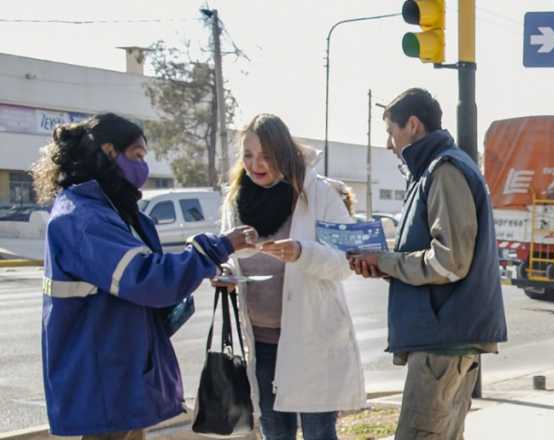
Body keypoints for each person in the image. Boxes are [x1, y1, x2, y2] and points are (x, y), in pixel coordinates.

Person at [34, 113, 254, 440]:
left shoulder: (107, 209)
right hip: (104, 372)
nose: (143, 168)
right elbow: (146, 278)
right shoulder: (84, 219)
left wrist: (204, 267)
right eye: (137, 156)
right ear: (109, 152)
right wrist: (215, 249)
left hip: (118, 366)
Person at [348, 88, 507, 439]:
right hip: (446, 339)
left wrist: (387, 261)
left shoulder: (444, 170)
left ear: (413, 125)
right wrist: (385, 266)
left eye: (391, 132)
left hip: (443, 341)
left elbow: (450, 261)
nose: (389, 144)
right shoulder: (434, 169)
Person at [218, 114, 365, 440]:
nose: (255, 164)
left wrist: (302, 252)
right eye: (248, 155)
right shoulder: (235, 199)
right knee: (275, 433)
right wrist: (225, 272)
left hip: (309, 339)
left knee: (318, 434)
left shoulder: (318, 193)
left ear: (283, 154)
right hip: (261, 342)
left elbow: (347, 261)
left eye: (266, 156)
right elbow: (231, 255)